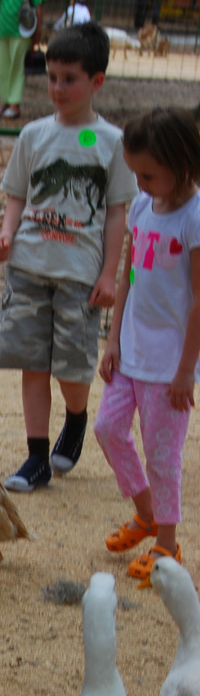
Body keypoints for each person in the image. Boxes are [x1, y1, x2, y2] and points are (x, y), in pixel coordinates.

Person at [0, 21, 137, 493]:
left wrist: (110, 274)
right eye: (51, 77)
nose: (57, 88)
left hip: (79, 272)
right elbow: (17, 194)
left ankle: (76, 416)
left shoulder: (112, 142)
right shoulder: (33, 134)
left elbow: (118, 213)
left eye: (69, 78)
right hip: (29, 264)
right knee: (33, 362)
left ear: (96, 82)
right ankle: (37, 458)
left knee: (70, 368)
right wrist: (6, 233)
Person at [94, 108, 200, 581]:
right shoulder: (141, 207)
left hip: (168, 367)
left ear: (182, 166)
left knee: (162, 454)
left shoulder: (195, 218)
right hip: (131, 353)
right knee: (108, 429)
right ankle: (146, 511)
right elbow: (130, 274)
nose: (139, 184)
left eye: (148, 174)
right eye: (135, 173)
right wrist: (113, 337)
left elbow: (199, 299)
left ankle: (167, 544)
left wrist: (185, 370)